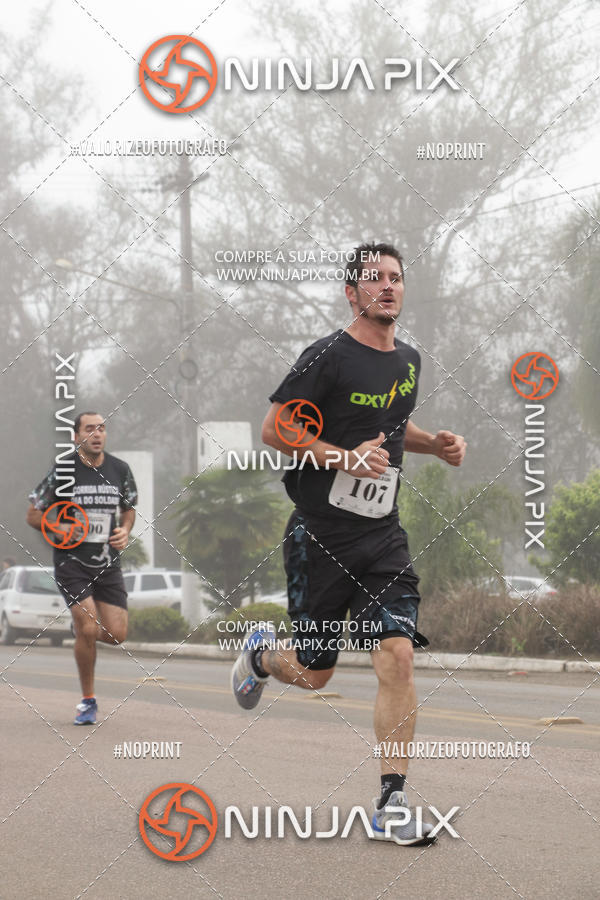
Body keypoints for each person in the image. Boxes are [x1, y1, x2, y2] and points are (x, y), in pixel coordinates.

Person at [231, 242, 466, 845]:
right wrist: (342, 457)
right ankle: (261, 657)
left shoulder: (409, 360)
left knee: (398, 654)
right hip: (320, 536)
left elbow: (393, 426)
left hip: (382, 536)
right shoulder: (326, 356)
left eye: (395, 277)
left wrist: (434, 445)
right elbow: (275, 427)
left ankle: (391, 803)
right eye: (374, 278)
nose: (387, 286)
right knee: (314, 673)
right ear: (351, 292)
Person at [26, 411, 137, 725]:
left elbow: (128, 509)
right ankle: (88, 701)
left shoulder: (120, 469)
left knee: (117, 634)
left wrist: (125, 530)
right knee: (89, 626)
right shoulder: (63, 470)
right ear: (76, 436)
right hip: (71, 561)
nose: (97, 433)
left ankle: (81, 632)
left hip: (107, 562)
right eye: (90, 428)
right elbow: (33, 515)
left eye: (101, 428)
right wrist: (59, 527)